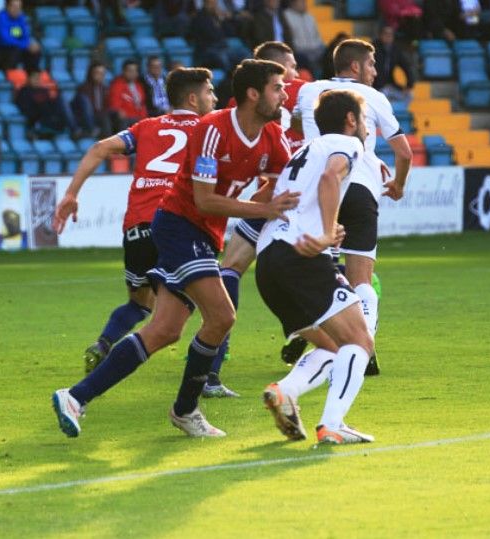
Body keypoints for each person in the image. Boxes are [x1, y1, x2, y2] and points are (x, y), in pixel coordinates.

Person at [52, 59, 298, 439]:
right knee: (221, 316)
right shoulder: (212, 129)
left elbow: (286, 182)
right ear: (253, 94)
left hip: (202, 235)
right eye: (278, 87)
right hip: (179, 225)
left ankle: (75, 396)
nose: (285, 94)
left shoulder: (273, 137)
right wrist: (263, 209)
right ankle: (185, 410)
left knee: (164, 330)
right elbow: (204, 201)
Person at [52, 67, 217, 373]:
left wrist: (71, 194)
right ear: (193, 99)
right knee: (213, 308)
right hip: (176, 226)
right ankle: (208, 377)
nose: (215, 98)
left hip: (138, 228)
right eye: (210, 92)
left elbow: (99, 148)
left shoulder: (147, 126)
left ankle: (102, 344)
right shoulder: (210, 129)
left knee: (140, 303)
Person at [258, 89, 376, 444]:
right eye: (365, 120)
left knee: (333, 345)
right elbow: (330, 179)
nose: (367, 128)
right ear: (351, 120)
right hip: (301, 256)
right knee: (359, 340)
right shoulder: (348, 144)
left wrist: (329, 228)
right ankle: (333, 425)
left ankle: (286, 392)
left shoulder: (304, 149)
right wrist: (326, 234)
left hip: (269, 259)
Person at [292, 38, 412, 376]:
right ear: (356, 66)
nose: (375, 72)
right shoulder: (372, 96)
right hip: (359, 187)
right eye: (372, 65)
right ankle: (364, 346)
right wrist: (398, 185)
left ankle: (315, 333)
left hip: (316, 192)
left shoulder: (308, 91)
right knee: (362, 281)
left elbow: (290, 126)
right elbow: (404, 152)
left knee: (320, 274)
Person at [205, 40, 307, 398]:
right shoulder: (262, 107)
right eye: (290, 66)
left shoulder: (300, 99)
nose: (295, 74)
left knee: (236, 267)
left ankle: (314, 333)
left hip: (290, 200)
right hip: (277, 201)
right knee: (231, 268)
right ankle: (301, 331)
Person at [15, 68, 76, 138]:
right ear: (29, 78)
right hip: (37, 118)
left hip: (50, 117)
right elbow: (25, 109)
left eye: (38, 78)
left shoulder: (44, 90)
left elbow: (50, 103)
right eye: (34, 78)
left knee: (61, 100)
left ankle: (72, 129)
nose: (37, 80)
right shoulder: (24, 92)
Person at [0, 0, 41, 70]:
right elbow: (5, 40)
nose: (17, 10)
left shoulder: (21, 17)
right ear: (7, 7)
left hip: (15, 47)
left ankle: (32, 76)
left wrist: (29, 44)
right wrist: (25, 45)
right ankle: (9, 75)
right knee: (14, 50)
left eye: (19, 7)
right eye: (14, 7)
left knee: (35, 50)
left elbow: (25, 35)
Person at [372, 25, 415, 103]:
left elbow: (406, 66)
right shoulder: (373, 49)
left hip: (390, 85)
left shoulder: (395, 50)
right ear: (380, 35)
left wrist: (409, 85)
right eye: (386, 34)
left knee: (409, 95)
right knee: (383, 95)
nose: (388, 36)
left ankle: (397, 113)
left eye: (390, 34)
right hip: (376, 86)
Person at [282, 0, 324, 76]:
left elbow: (318, 37)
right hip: (299, 50)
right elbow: (289, 39)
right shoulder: (286, 16)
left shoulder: (310, 17)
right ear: (293, 3)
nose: (305, 4)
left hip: (316, 50)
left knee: (329, 56)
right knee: (305, 59)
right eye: (302, 2)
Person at [71, 62, 111, 138]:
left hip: (101, 116)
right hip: (87, 118)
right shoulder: (83, 88)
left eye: (102, 73)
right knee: (105, 119)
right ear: (91, 74)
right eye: (97, 73)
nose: (100, 76)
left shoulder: (105, 88)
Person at [107, 59, 148, 131]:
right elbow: (115, 104)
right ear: (124, 71)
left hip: (139, 117)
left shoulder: (139, 86)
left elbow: (142, 104)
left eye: (135, 71)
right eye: (130, 71)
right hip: (127, 118)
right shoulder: (117, 85)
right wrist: (119, 110)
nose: (133, 73)